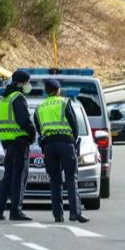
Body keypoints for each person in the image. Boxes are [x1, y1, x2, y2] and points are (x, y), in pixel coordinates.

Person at [33, 80, 90, 224]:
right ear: (58, 90)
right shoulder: (64, 102)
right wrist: (73, 140)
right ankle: (74, 213)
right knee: (71, 178)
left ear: (46, 91)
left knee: (55, 181)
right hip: (66, 144)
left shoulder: (39, 107)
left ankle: (58, 215)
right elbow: (74, 124)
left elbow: (39, 127)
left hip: (49, 146)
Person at [0, 69, 37, 222]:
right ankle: (15, 211)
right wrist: (32, 133)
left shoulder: (6, 98)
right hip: (19, 142)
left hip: (8, 143)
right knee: (19, 178)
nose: (28, 85)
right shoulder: (18, 97)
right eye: (27, 82)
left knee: (8, 178)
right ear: (21, 83)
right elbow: (24, 120)